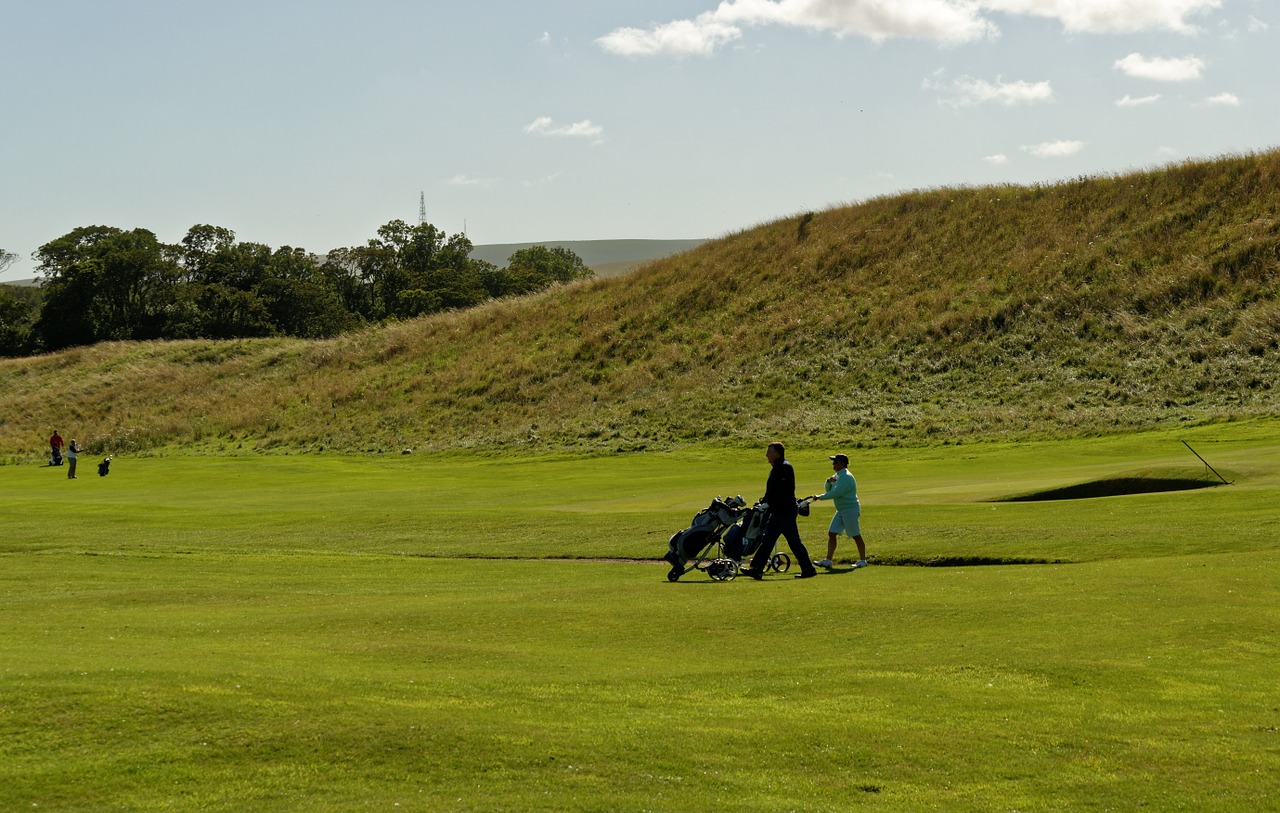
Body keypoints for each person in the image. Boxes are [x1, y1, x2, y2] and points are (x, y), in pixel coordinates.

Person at [742, 441, 817, 580]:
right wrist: (764, 502)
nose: (766, 455)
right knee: (767, 541)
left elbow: (782, 492)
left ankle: (808, 568)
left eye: (769, 452)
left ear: (777, 453)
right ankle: (757, 569)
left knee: (794, 541)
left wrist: (768, 503)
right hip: (778, 511)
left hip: (785, 511)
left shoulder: (784, 467)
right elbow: (772, 491)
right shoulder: (778, 467)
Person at [808, 453, 867, 569]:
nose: (833, 464)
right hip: (841, 510)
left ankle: (863, 560)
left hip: (850, 509)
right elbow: (830, 489)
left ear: (842, 464)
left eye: (835, 462)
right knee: (832, 533)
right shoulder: (838, 475)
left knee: (855, 535)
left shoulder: (846, 477)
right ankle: (828, 560)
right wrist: (828, 482)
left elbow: (836, 493)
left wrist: (820, 497)